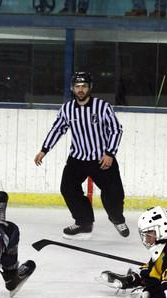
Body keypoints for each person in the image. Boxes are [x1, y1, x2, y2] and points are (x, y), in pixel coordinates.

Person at [34, 71, 129, 240]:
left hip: (102, 158)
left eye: (84, 86)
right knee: (68, 189)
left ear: (90, 88)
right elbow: (58, 129)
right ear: (72, 88)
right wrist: (44, 149)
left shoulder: (102, 107)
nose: (80, 89)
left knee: (114, 193)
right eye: (77, 86)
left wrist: (110, 153)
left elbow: (116, 129)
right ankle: (84, 222)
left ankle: (117, 218)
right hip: (77, 159)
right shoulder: (67, 108)